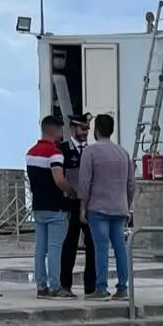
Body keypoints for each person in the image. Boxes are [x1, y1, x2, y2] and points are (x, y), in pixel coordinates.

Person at [75, 113, 137, 300]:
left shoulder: (90, 152)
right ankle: (123, 287)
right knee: (120, 248)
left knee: (101, 248)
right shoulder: (123, 153)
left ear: (97, 130)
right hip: (119, 207)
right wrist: (127, 202)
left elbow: (84, 181)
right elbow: (131, 183)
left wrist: (83, 205)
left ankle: (101, 288)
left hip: (98, 207)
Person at [27, 115, 75, 299]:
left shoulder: (31, 153)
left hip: (38, 206)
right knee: (55, 248)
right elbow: (59, 180)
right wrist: (71, 191)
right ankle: (55, 286)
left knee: (40, 249)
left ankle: (41, 286)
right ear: (55, 130)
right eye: (61, 130)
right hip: (56, 207)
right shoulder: (55, 153)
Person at [60, 114, 97, 296]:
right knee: (69, 244)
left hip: (89, 203)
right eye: (82, 129)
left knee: (92, 244)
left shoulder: (91, 151)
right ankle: (65, 284)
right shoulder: (63, 150)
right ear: (73, 129)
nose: (85, 132)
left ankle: (91, 286)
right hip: (70, 203)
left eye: (87, 129)